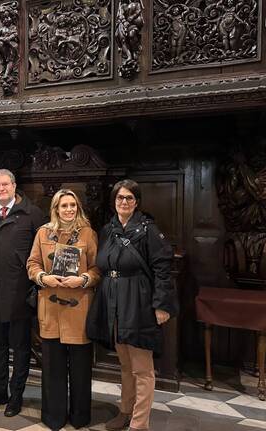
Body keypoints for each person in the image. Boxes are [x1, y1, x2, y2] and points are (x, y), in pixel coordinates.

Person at [86, 179, 177, 431]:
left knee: (142, 369)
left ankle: (139, 423)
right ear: (113, 201)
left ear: (136, 202)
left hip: (139, 302)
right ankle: (125, 411)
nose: (124, 202)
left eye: (129, 198)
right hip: (113, 302)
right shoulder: (108, 230)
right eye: (119, 198)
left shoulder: (148, 230)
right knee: (125, 364)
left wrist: (161, 305)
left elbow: (163, 269)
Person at [26, 189, 100, 430]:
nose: (69, 209)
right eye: (64, 206)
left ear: (78, 208)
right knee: (52, 368)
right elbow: (32, 263)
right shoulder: (43, 232)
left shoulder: (88, 234)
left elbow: (99, 269)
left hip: (79, 309)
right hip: (50, 307)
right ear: (56, 209)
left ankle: (80, 417)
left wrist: (84, 279)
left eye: (73, 205)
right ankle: (53, 417)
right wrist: (42, 277)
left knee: (80, 370)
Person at [0, 169, 45, 416]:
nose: (1, 188)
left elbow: (42, 251)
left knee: (21, 349)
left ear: (14, 185)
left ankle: (16, 396)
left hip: (21, 293)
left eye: (5, 184)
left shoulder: (32, 213)